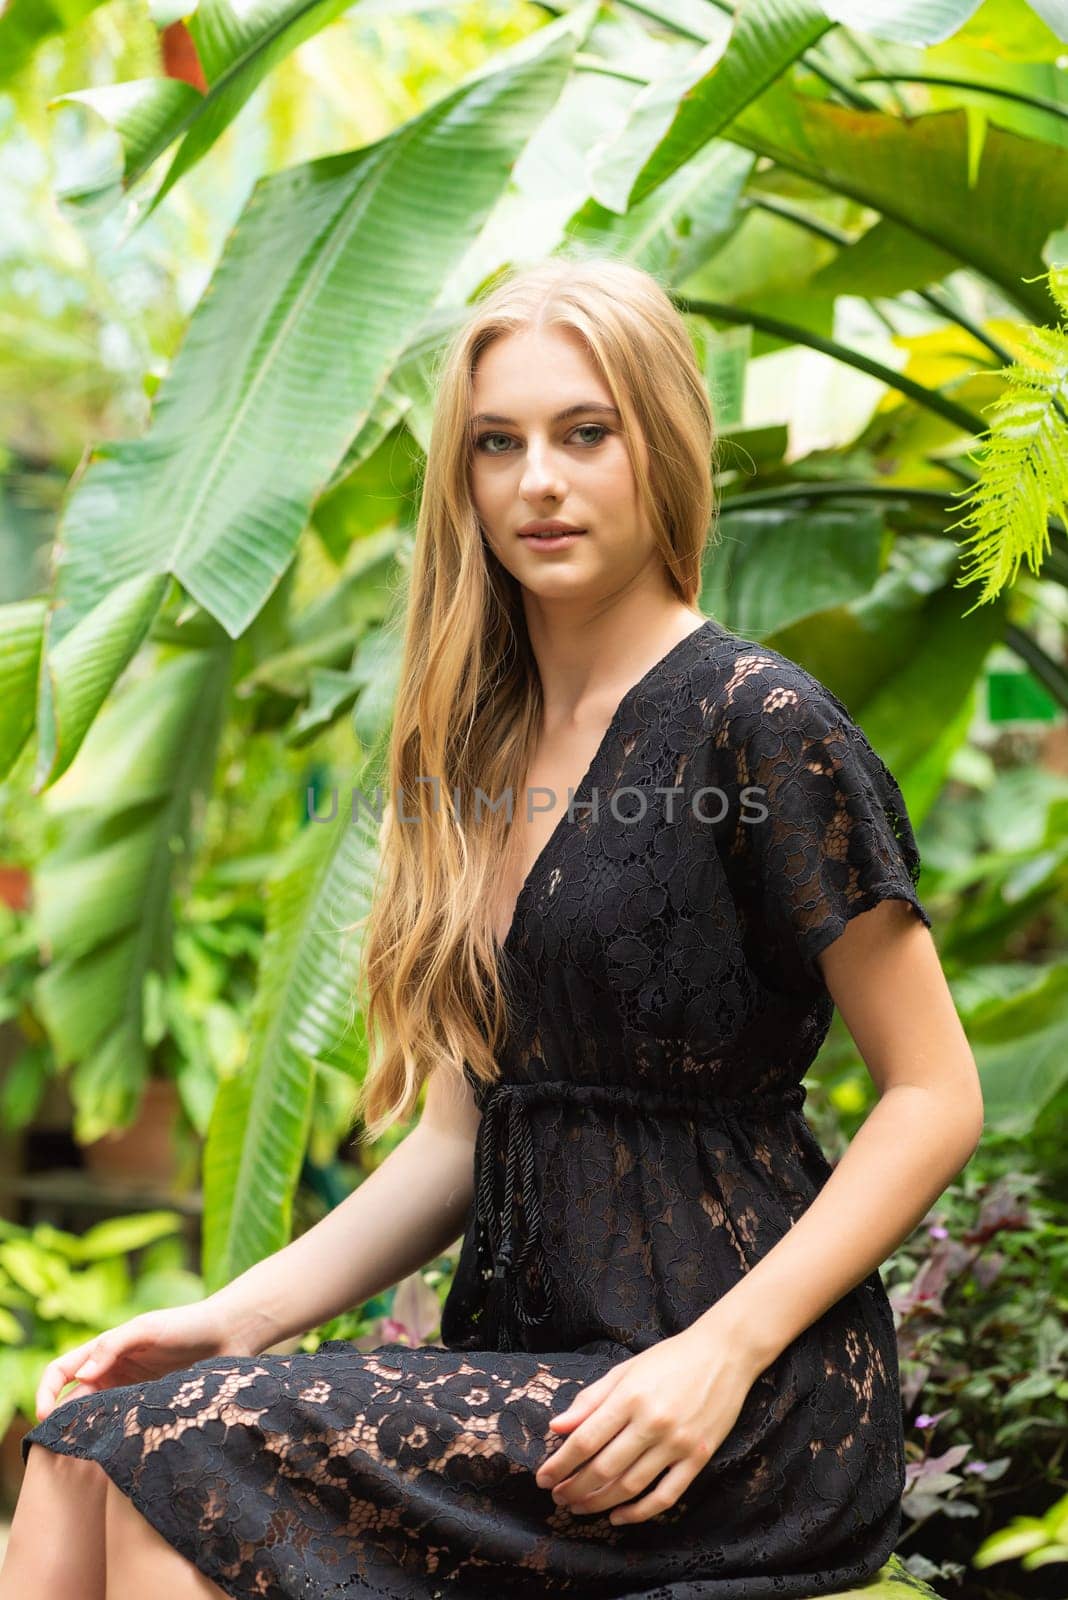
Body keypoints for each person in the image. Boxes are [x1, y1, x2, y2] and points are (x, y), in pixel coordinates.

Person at [3, 255, 984, 1600]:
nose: (539, 481)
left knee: (186, 1454)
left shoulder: (760, 723)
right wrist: (232, 1318)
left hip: (734, 1385)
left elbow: (936, 1095)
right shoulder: (474, 747)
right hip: (531, 1360)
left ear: (665, 446)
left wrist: (725, 1351)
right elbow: (462, 1138)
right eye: (496, 444)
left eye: (587, 433)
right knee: (85, 1443)